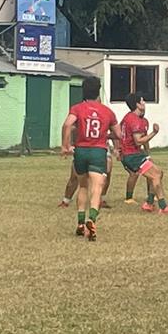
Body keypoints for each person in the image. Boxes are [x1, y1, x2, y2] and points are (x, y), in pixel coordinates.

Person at [60, 76, 122, 241]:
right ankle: (91, 220)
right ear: (98, 91)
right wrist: (105, 134)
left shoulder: (78, 108)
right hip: (97, 152)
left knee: (83, 186)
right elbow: (119, 134)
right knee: (97, 187)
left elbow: (67, 125)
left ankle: (80, 222)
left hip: (80, 151)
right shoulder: (107, 111)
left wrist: (65, 146)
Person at [119, 93, 168, 213]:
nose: (144, 103)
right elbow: (138, 141)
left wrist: (148, 155)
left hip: (136, 154)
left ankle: (149, 203)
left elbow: (142, 138)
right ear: (137, 104)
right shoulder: (133, 120)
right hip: (132, 155)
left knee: (158, 173)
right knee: (156, 174)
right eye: (142, 101)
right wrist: (154, 133)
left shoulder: (137, 119)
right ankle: (162, 207)